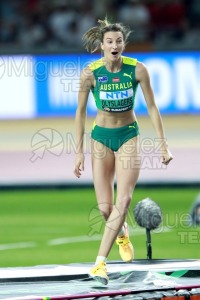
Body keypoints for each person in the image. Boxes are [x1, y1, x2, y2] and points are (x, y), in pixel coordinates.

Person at [73, 18, 173, 285]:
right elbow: (80, 112)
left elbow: (152, 107)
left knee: (124, 200)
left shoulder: (137, 70)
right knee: (106, 209)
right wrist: (78, 152)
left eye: (119, 41)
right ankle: (121, 233)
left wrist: (163, 144)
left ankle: (99, 264)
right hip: (101, 138)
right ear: (102, 45)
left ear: (123, 44)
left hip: (128, 135)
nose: (114, 45)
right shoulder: (90, 73)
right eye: (109, 41)